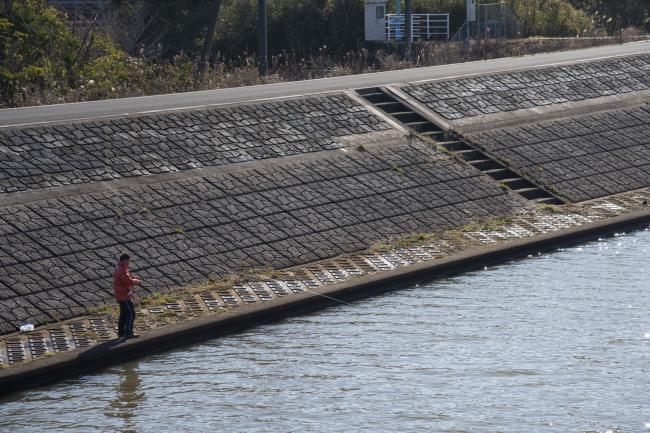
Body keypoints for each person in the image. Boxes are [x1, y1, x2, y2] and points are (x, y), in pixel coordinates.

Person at [113, 253, 141, 339]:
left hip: (123, 295)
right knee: (131, 314)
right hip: (123, 296)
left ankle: (121, 332)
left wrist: (132, 279)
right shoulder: (122, 270)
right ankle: (128, 332)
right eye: (128, 261)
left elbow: (126, 279)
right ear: (125, 260)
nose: (129, 263)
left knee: (124, 315)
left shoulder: (120, 268)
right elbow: (128, 281)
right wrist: (136, 281)